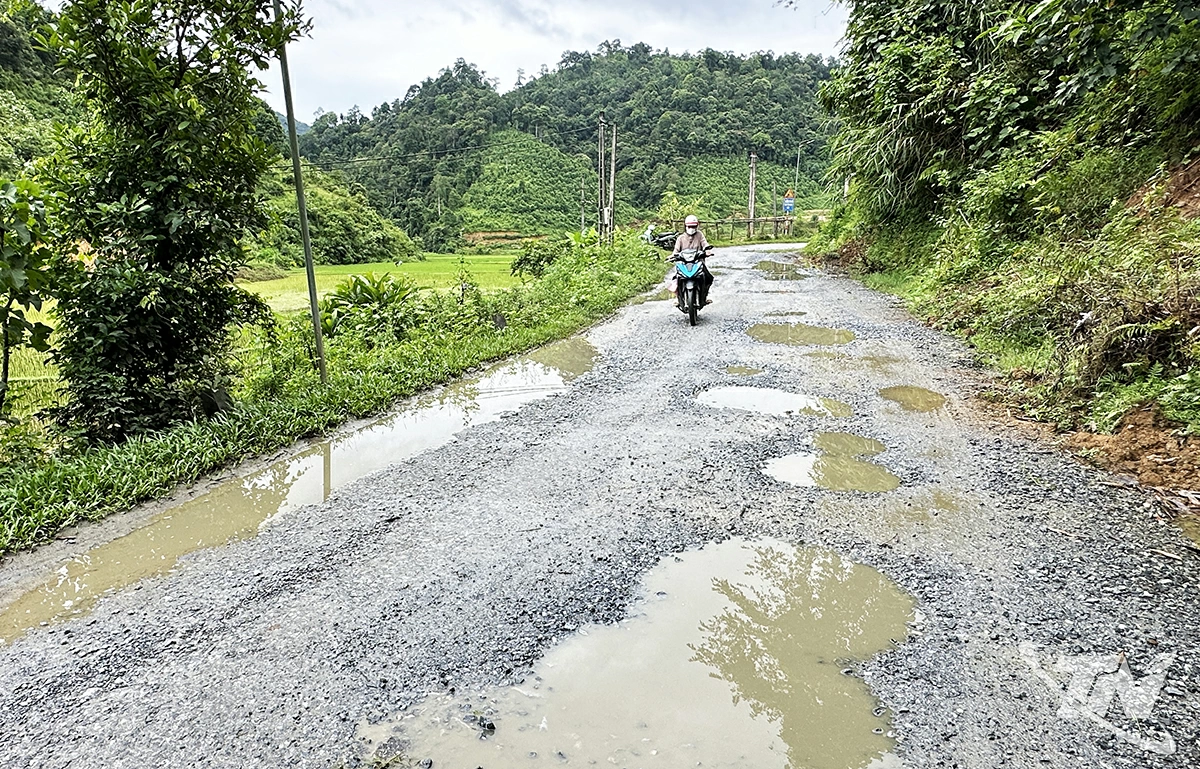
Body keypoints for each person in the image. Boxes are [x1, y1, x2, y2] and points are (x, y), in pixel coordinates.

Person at [672, 214, 714, 304]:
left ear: (697, 226)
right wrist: (672, 256)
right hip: (684, 264)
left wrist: (707, 250)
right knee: (676, 278)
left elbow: (704, 243)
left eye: (694, 226)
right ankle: (678, 297)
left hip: (698, 263)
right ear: (686, 226)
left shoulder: (700, 235)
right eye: (690, 226)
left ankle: (704, 296)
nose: (691, 228)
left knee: (708, 278)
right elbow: (676, 250)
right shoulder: (680, 238)